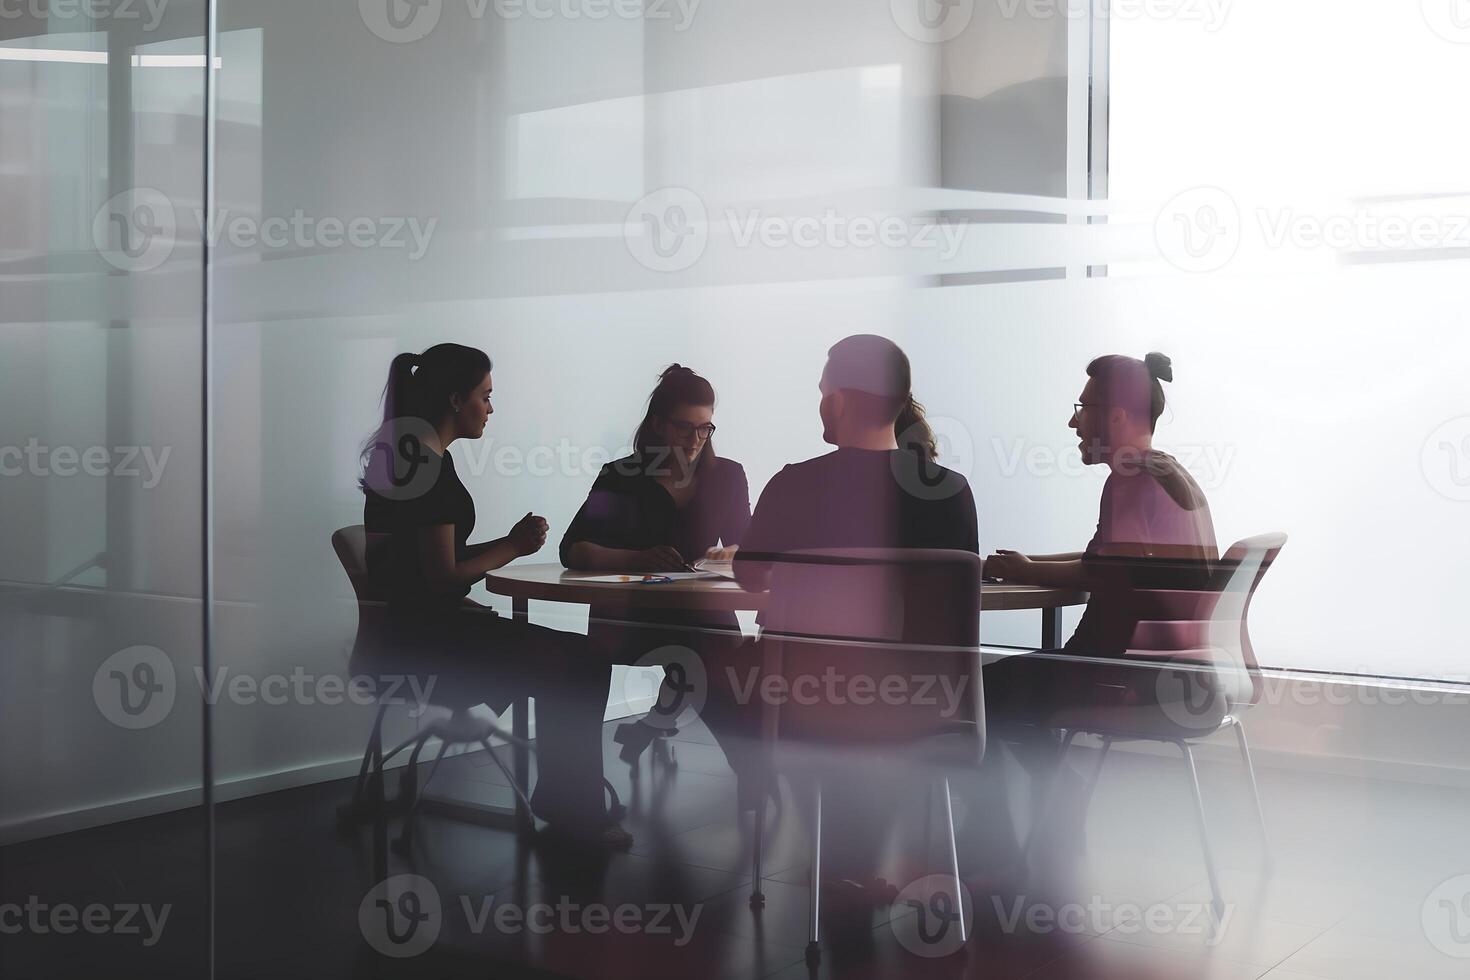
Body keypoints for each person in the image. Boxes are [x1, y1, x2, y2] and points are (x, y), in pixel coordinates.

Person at [732, 334, 980, 904]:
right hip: (928, 702)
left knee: (722, 672)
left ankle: (827, 848)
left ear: (838, 400)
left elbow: (749, 577)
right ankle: (855, 854)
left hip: (811, 700)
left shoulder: (796, 483)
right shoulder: (950, 492)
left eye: (822, 390)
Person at [359, 343, 631, 850]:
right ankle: (573, 809)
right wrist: (513, 545)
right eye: (485, 396)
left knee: (574, 659)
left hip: (406, 635)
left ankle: (568, 799)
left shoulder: (408, 462)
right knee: (584, 661)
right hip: (428, 644)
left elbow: (426, 568)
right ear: (456, 399)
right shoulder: (429, 473)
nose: (491, 408)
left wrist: (506, 546)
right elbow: (442, 576)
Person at [981, 352, 1218, 862]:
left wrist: (1026, 570)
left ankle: (999, 845)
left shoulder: (1129, 480)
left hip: (1127, 679)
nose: (1073, 420)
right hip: (1186, 678)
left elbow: (1098, 574)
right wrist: (1020, 564)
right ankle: (1053, 806)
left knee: (973, 694)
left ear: (1116, 416)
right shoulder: (1168, 474)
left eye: (1082, 407)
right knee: (1009, 688)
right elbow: (1100, 561)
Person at [560, 364, 751, 763]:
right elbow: (573, 548)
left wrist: (726, 554)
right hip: (631, 615)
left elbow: (746, 545)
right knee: (714, 662)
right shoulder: (621, 477)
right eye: (686, 428)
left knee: (722, 664)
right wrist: (635, 558)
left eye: (706, 428)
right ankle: (750, 769)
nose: (696, 439)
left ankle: (749, 768)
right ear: (659, 425)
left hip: (700, 612)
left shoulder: (727, 476)